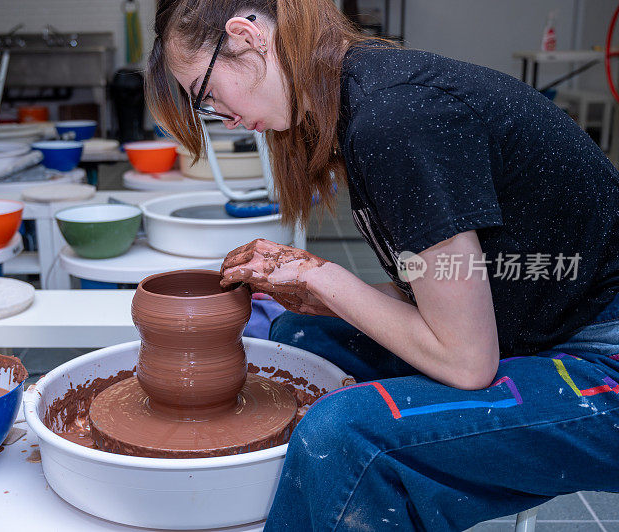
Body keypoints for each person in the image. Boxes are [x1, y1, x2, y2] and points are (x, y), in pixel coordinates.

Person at [146, 0, 619, 530]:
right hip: (541, 314)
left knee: (345, 438)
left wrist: (315, 275)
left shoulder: (395, 118)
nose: (224, 117)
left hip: (603, 353)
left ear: (246, 35)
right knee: (302, 335)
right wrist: (320, 298)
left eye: (207, 95)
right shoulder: (361, 97)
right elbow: (450, 287)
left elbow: (467, 362)